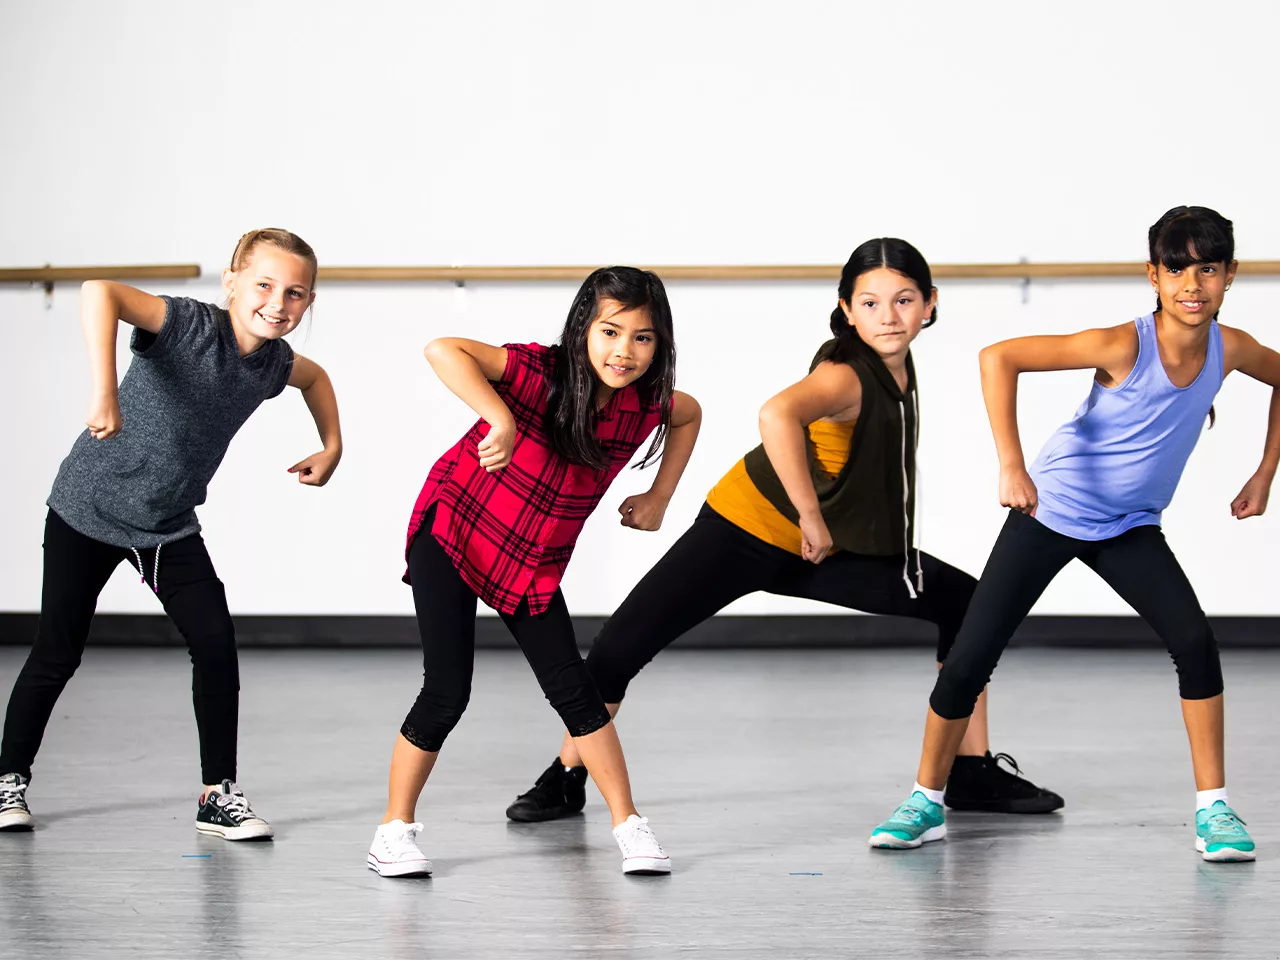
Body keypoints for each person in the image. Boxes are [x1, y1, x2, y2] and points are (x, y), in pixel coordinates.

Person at [505, 238, 1062, 827]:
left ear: (929, 304)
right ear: (847, 309)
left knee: (965, 604)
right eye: (870, 303)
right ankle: (566, 776)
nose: (888, 316)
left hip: (818, 549)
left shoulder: (895, 364)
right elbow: (777, 414)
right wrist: (811, 515)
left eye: (903, 300)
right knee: (619, 649)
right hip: (744, 531)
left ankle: (969, 770)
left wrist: (818, 527)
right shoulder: (847, 373)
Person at [869, 206, 1280, 863]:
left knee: (1196, 643)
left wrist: (1264, 474)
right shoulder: (1124, 343)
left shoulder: (1231, 349)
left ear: (1230, 275)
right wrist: (1011, 462)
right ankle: (925, 799)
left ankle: (1215, 810)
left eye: (1208, 267)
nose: (1192, 282)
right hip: (1051, 513)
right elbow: (999, 358)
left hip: (1130, 527)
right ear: (1154, 274)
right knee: (972, 656)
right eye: (1177, 268)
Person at [0, 228, 342, 841]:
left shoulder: (272, 364)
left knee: (215, 642)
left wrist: (332, 445)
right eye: (264, 285)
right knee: (58, 651)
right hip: (87, 509)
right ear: (231, 283)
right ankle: (8, 781)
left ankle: (218, 795)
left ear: (308, 303)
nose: (278, 303)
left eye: (295, 293)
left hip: (166, 525)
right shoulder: (186, 325)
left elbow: (315, 379)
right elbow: (99, 291)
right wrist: (105, 389)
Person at [367, 266, 702, 878]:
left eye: (642, 338)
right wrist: (499, 418)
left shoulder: (642, 404)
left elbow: (688, 413)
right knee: (447, 690)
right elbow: (444, 349)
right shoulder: (539, 373)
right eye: (608, 331)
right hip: (456, 529)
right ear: (582, 330)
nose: (623, 351)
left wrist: (660, 497)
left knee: (573, 687)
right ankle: (393, 831)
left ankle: (630, 826)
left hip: (531, 555)